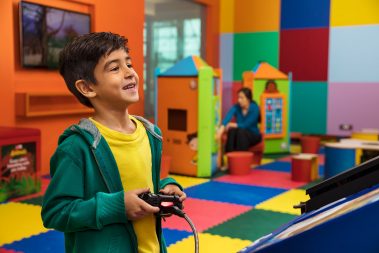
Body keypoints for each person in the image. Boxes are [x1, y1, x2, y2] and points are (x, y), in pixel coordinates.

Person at [41, 32, 186, 253]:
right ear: (87, 88)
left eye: (129, 64)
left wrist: (168, 186)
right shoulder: (76, 146)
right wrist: (117, 206)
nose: (130, 73)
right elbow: (56, 212)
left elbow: (141, 180)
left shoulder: (150, 133)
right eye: (115, 68)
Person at [216, 87, 262, 153]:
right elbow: (228, 116)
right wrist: (221, 128)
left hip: (253, 135)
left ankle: (241, 158)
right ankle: (229, 156)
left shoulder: (254, 108)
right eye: (238, 97)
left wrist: (230, 124)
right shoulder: (237, 107)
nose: (239, 100)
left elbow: (246, 125)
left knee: (241, 132)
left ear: (248, 99)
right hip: (241, 133)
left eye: (242, 98)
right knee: (232, 131)